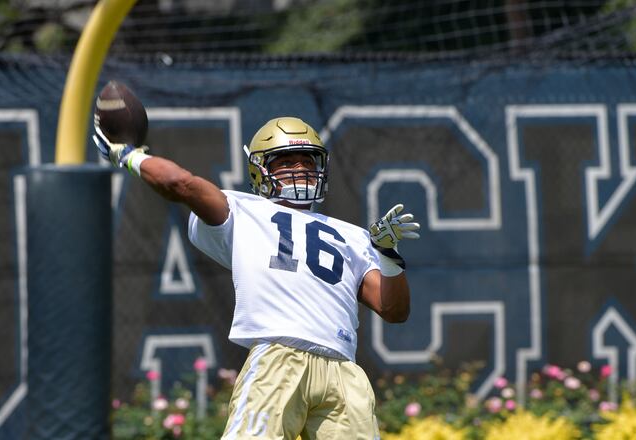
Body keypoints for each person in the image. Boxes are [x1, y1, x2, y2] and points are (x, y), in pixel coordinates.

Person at [95, 116, 420, 439]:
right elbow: (181, 183)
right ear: (259, 169)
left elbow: (395, 310)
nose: (300, 168)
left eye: (307, 161)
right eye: (286, 161)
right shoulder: (242, 210)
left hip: (343, 370)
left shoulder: (355, 236)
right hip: (279, 356)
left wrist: (388, 255)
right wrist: (126, 155)